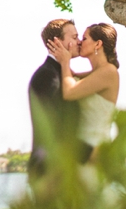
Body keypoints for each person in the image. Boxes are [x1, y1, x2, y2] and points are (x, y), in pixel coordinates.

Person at [27, 19, 93, 179]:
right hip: (50, 171)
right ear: (57, 41)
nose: (79, 42)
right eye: (74, 37)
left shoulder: (61, 73)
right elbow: (57, 125)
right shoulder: (47, 76)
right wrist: (92, 154)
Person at [46, 23, 120, 160]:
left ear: (97, 44)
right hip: (81, 151)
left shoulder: (109, 72)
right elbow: (70, 76)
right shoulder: (94, 74)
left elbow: (69, 92)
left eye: (84, 39)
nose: (79, 42)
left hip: (96, 153)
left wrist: (65, 62)